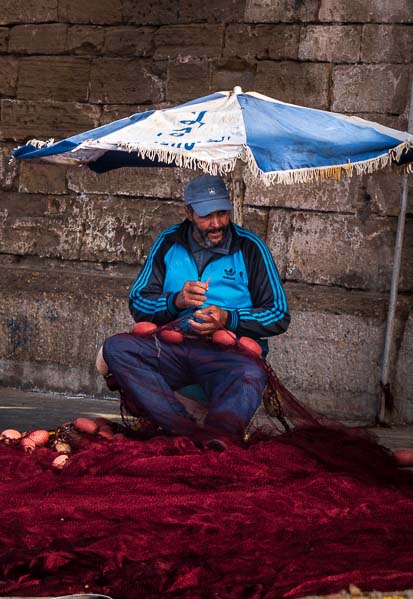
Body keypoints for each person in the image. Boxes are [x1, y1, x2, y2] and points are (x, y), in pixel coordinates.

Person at [99, 174, 289, 439]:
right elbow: (139, 300)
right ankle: (180, 427)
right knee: (118, 348)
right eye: (206, 215)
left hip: (226, 355)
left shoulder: (251, 247)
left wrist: (228, 317)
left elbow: (279, 314)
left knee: (250, 372)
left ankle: (220, 437)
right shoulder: (168, 242)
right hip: (172, 350)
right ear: (187, 211)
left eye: (222, 213)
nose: (216, 223)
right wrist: (175, 300)